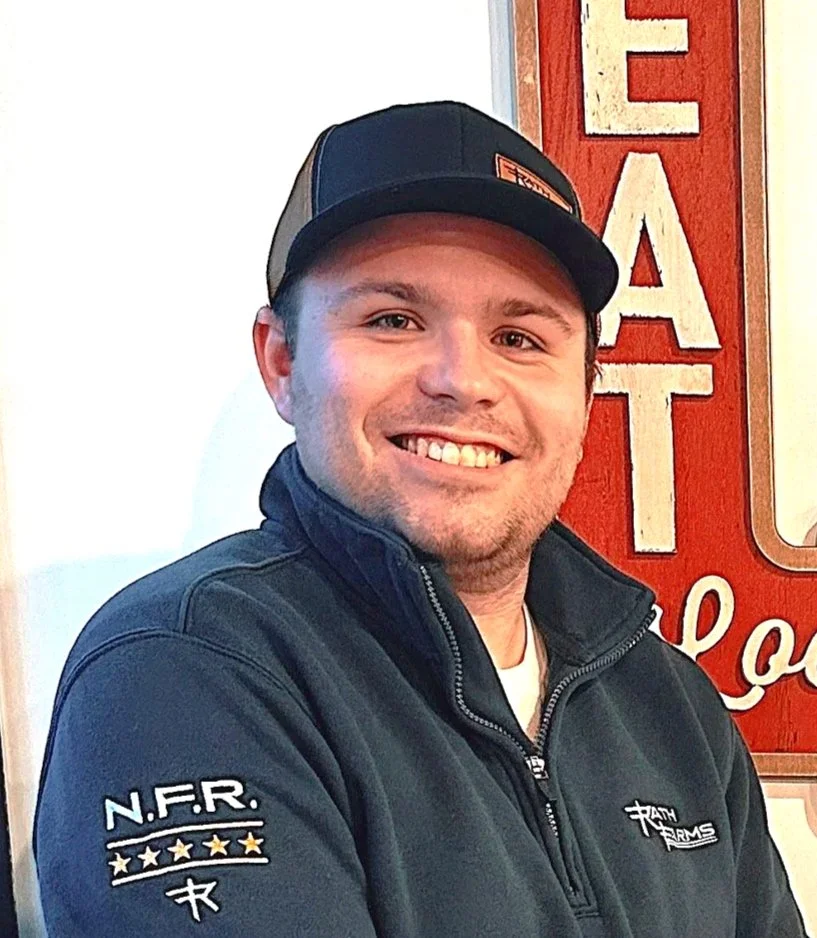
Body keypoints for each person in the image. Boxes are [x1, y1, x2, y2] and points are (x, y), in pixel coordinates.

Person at [34, 101, 808, 937]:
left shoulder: (668, 703)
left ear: (584, 392)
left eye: (520, 337)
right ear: (282, 361)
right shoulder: (183, 669)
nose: (462, 380)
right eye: (393, 320)